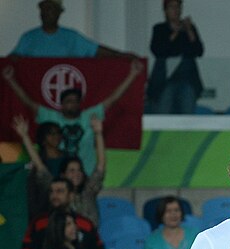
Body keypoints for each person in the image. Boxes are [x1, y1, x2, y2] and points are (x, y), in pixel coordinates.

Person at [2, 60, 143, 176]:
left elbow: (113, 99)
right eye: (68, 101)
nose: (72, 104)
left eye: (75, 101)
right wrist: (11, 80)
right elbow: (28, 102)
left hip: (85, 175)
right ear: (61, 104)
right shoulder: (50, 116)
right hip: (55, 175)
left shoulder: (89, 116)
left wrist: (133, 74)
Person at [12, 115, 104, 226]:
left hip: (88, 242)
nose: (77, 173)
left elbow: (100, 166)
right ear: (63, 175)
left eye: (79, 170)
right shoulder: (56, 192)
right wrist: (25, 136)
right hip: (60, 241)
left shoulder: (88, 192)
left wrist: (98, 134)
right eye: (72, 170)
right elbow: (40, 167)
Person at [10, 0, 130, 58]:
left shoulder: (71, 37)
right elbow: (12, 60)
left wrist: (120, 55)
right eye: (44, 9)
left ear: (58, 13)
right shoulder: (28, 38)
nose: (46, 13)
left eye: (50, 9)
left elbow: (94, 50)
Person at [147, 0, 204, 115]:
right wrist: (175, 33)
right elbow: (158, 50)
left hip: (187, 79)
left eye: (178, 7)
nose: (176, 11)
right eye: (172, 7)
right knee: (163, 109)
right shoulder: (159, 29)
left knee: (187, 111)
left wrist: (189, 31)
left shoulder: (189, 28)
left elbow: (199, 51)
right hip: (165, 81)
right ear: (165, 11)